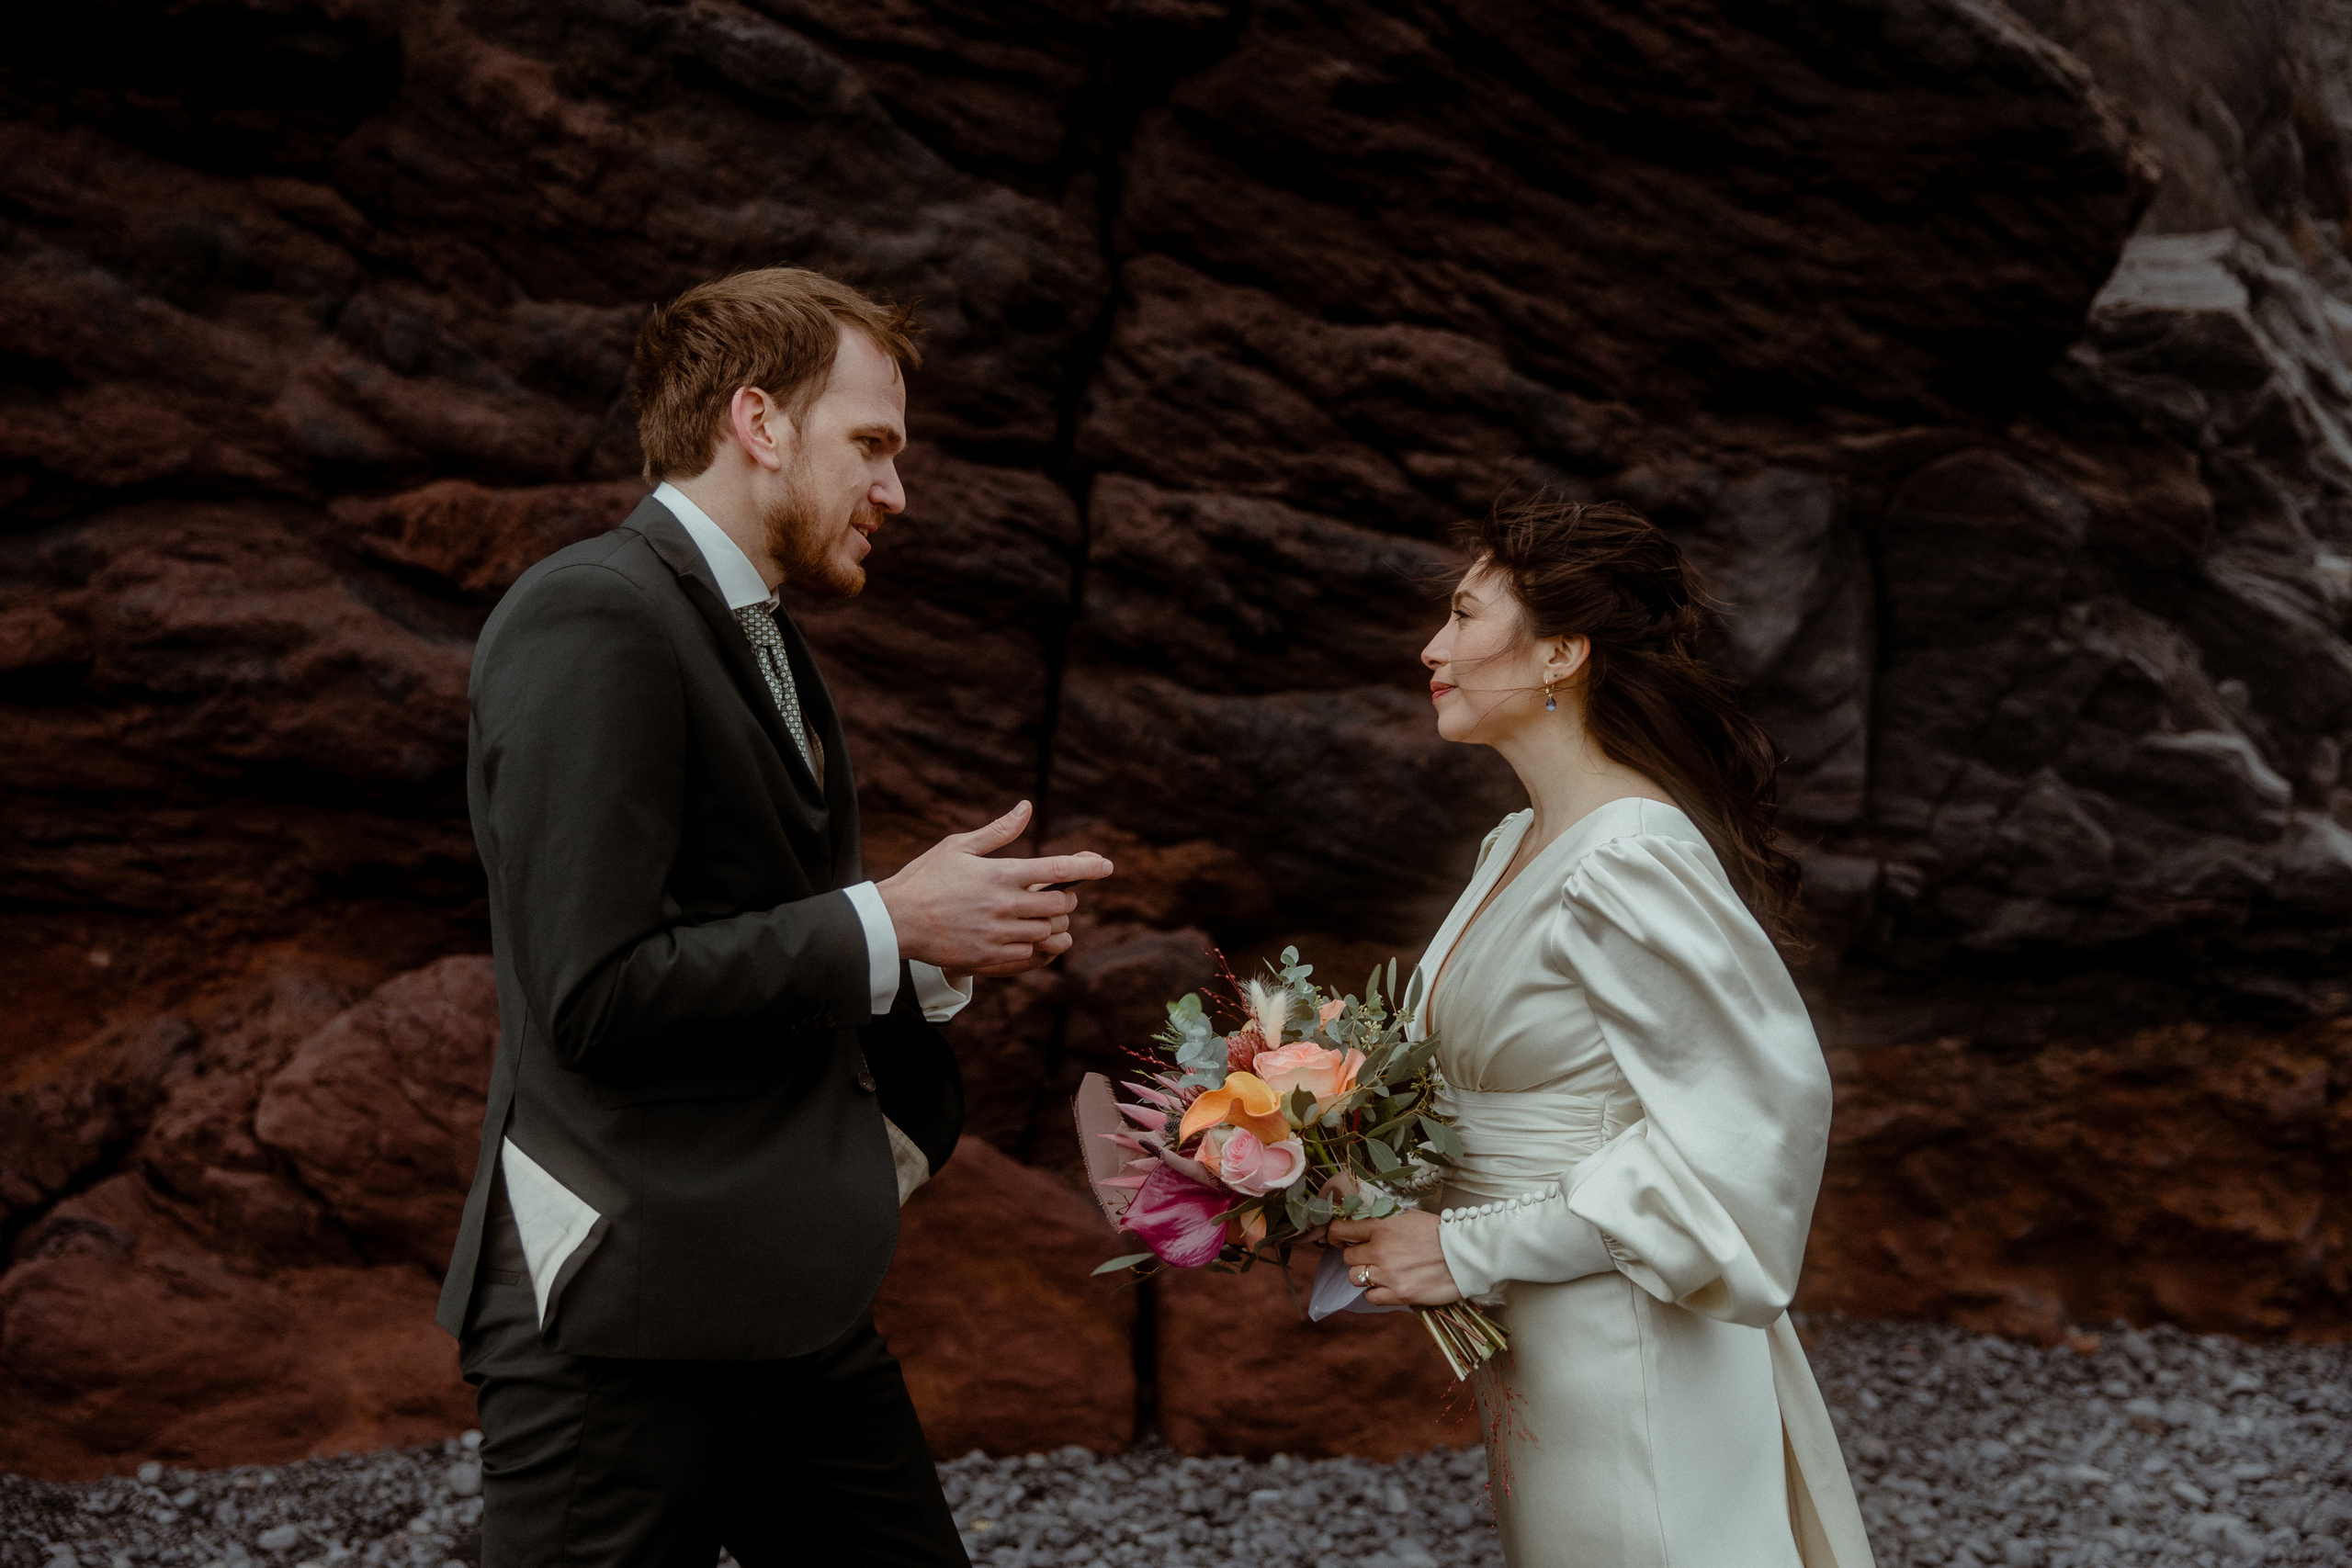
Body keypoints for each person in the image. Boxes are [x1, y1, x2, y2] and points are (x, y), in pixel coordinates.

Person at [435, 266, 1114, 1568]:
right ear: (757, 421)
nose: (895, 490)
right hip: (622, 1318)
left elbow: (747, 931)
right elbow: (592, 989)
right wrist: (888, 919)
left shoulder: (762, 635)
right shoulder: (594, 613)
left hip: (783, 1306)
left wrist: (930, 946)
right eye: (871, 444)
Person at [1327, 496, 1874, 1568]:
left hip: (1627, 1335)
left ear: (1561, 654)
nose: (1431, 647)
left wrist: (1460, 1248)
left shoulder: (1627, 858)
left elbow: (1751, 1133)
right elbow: (1490, 1100)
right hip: (1540, 1328)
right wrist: (1328, 1176)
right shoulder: (1516, 842)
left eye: (1464, 615)